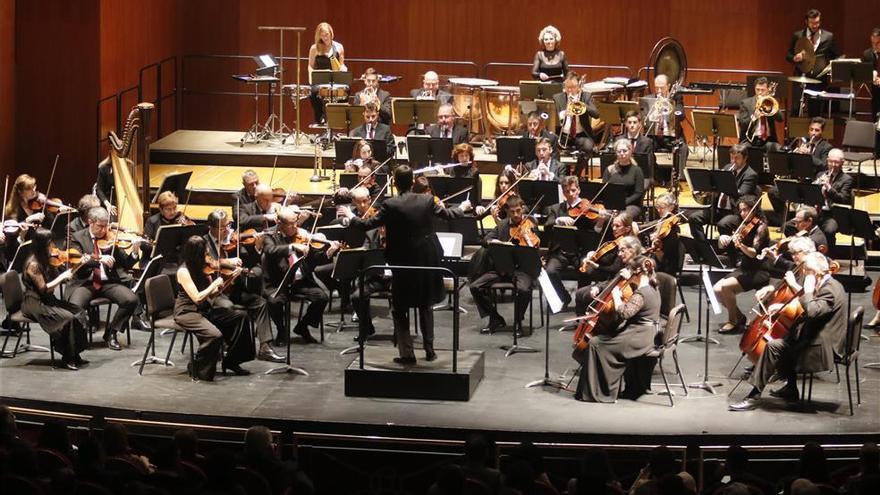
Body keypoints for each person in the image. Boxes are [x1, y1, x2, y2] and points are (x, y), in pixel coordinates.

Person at [339, 165, 471, 364]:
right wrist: (462, 207)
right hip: (426, 261)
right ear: (412, 182)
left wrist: (351, 217)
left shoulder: (390, 204)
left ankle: (407, 353)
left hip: (401, 262)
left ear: (394, 182)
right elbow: (448, 215)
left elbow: (367, 225)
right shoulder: (427, 200)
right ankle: (429, 350)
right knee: (425, 305)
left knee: (400, 308)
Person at [730, 252, 845, 410]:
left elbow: (812, 311)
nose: (804, 274)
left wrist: (809, 290)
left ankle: (754, 396)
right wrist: (783, 307)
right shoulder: (827, 284)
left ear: (818, 272)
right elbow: (814, 310)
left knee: (774, 347)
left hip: (822, 347)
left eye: (807, 271)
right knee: (783, 340)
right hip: (814, 335)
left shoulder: (830, 290)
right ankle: (790, 389)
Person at [574, 237, 661, 402]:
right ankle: (600, 388)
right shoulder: (652, 284)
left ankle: (601, 392)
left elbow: (623, 314)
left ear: (636, 273)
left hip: (639, 336)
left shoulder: (641, 292)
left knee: (596, 344)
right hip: (642, 332)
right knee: (599, 341)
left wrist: (616, 296)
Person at [203, 209, 284, 363]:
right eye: (223, 228)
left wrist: (257, 248)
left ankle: (265, 348)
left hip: (234, 289)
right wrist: (227, 262)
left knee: (260, 303)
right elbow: (207, 262)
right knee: (228, 307)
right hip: (215, 293)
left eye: (228, 226)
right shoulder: (203, 242)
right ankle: (229, 347)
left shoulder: (233, 241)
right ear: (211, 228)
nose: (227, 230)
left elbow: (250, 261)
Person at [174, 235, 252, 380]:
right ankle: (197, 367)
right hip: (187, 312)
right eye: (204, 252)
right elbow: (197, 298)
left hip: (204, 309)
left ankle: (232, 361)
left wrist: (229, 279)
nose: (207, 255)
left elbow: (213, 294)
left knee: (240, 316)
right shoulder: (183, 271)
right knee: (214, 335)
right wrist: (213, 285)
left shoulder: (203, 267)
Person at [263, 206, 339, 345]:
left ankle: (303, 326)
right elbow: (270, 250)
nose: (295, 226)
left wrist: (329, 252)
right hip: (279, 281)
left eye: (296, 222)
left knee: (321, 298)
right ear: (280, 223)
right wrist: (292, 247)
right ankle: (281, 330)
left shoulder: (303, 234)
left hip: (301, 282)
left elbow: (315, 258)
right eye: (290, 224)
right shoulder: (269, 235)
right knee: (274, 302)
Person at [67, 207, 139, 351]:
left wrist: (135, 252)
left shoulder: (110, 238)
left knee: (131, 300)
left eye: (106, 225)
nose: (104, 229)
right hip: (84, 283)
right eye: (100, 226)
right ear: (90, 222)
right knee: (75, 306)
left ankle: (111, 333)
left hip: (108, 283)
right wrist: (100, 258)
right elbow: (76, 260)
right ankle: (80, 340)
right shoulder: (77, 237)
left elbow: (126, 263)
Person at [469, 196, 539, 334]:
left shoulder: (530, 225)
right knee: (475, 287)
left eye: (518, 211)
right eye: (512, 212)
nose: (516, 215)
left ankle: (518, 321)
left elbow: (535, 248)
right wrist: (496, 243)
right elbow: (485, 240)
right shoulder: (502, 225)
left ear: (522, 209)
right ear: (507, 212)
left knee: (524, 290)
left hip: (522, 271)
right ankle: (495, 318)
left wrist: (527, 239)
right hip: (502, 269)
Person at [20, 228, 87, 370]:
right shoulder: (33, 264)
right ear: (41, 245)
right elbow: (43, 289)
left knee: (78, 312)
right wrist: (61, 277)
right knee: (68, 318)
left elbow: (61, 275)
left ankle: (75, 353)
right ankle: (67, 357)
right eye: (50, 243)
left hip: (47, 299)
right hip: (34, 301)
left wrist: (79, 263)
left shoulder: (47, 258)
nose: (53, 246)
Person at [713, 196, 770, 334]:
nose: (743, 213)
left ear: (754, 209)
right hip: (745, 267)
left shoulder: (761, 227)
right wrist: (723, 239)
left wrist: (741, 245)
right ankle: (740, 317)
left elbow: (753, 253)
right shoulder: (744, 225)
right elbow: (723, 247)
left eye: (746, 210)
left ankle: (732, 321)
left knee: (725, 287)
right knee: (716, 289)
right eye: (741, 211)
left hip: (758, 270)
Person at [544, 176, 600, 308]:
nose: (571, 194)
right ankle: (564, 297)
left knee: (585, 270)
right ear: (563, 193)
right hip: (561, 253)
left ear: (579, 190)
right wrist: (558, 220)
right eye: (567, 191)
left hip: (580, 252)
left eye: (573, 190)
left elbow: (597, 230)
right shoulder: (555, 209)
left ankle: (581, 301)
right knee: (550, 271)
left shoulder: (587, 209)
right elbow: (547, 226)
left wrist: (601, 220)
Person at [687, 143, 759, 244]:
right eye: (732, 158)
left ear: (745, 158)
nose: (733, 161)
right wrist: (711, 188)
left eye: (737, 158)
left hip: (735, 212)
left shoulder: (750, 175)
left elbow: (742, 195)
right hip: (718, 209)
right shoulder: (727, 168)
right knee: (693, 218)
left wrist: (722, 186)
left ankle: (726, 251)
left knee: (723, 224)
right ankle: (703, 247)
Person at [767, 117, 832, 224]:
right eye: (811, 129)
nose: (813, 133)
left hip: (812, 182)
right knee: (773, 192)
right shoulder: (804, 145)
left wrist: (809, 156)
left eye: (817, 130)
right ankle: (786, 219)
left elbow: (824, 165)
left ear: (822, 131)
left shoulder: (826, 147)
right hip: (798, 180)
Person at [785, 148, 853, 248]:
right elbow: (809, 194)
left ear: (842, 163)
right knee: (788, 226)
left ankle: (827, 255)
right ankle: (801, 248)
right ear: (827, 160)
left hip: (831, 215)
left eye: (836, 162)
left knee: (829, 230)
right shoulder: (820, 174)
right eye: (831, 161)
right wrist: (814, 188)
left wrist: (830, 189)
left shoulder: (847, 179)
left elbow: (843, 199)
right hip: (815, 212)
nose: (833, 165)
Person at [574, 212, 636, 314]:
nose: (614, 228)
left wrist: (596, 266)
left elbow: (615, 269)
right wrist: (593, 255)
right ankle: (580, 325)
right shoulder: (614, 241)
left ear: (627, 229)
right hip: (605, 278)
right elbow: (605, 257)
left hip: (614, 281)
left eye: (617, 226)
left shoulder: (626, 246)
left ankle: (591, 323)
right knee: (580, 290)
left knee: (584, 294)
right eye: (613, 225)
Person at [786, 9, 839, 117]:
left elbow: (835, 56)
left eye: (817, 22)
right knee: (796, 110)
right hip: (800, 77)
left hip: (818, 80)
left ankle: (813, 134)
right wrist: (795, 58)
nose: (815, 25)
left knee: (815, 113)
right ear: (806, 22)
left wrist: (831, 69)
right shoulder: (798, 35)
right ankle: (793, 135)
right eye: (812, 23)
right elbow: (788, 55)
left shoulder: (828, 37)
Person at [762, 207, 827, 276]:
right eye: (795, 222)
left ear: (809, 221)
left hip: (806, 274)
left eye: (798, 222)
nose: (795, 225)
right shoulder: (808, 232)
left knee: (766, 266)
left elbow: (800, 266)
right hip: (798, 267)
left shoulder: (814, 240)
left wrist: (777, 256)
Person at [308, 22, 346, 125]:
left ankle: (337, 119)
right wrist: (311, 79)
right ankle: (320, 118)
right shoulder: (314, 48)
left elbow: (341, 65)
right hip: (320, 79)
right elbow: (310, 66)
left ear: (331, 33)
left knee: (346, 90)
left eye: (326, 35)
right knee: (313, 92)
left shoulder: (338, 47)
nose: (325, 38)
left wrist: (343, 69)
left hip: (335, 79)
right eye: (322, 35)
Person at [554, 72, 600, 156]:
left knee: (588, 147)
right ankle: (563, 169)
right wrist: (564, 115)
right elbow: (553, 119)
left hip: (581, 135)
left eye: (573, 87)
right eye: (567, 87)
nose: (570, 90)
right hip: (563, 135)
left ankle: (577, 170)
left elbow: (596, 114)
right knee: (549, 145)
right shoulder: (557, 98)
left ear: (578, 87)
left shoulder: (586, 96)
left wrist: (582, 104)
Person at [603, 138, 646, 220]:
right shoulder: (609, 169)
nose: (622, 154)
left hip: (631, 205)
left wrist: (620, 205)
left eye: (625, 151)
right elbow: (605, 191)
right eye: (619, 151)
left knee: (621, 219)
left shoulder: (637, 170)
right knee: (602, 217)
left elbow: (638, 193)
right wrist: (613, 205)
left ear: (630, 151)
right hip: (613, 204)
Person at [737, 76, 783, 149]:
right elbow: (742, 124)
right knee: (743, 149)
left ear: (767, 90)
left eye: (763, 90)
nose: (760, 93)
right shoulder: (746, 103)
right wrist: (754, 116)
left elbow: (781, 119)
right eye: (757, 90)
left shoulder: (771, 102)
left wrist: (771, 105)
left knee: (778, 149)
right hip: (750, 140)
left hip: (768, 140)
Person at [644, 74, 685, 144]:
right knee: (645, 145)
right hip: (653, 136)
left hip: (672, 136)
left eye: (662, 88)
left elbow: (681, 116)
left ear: (668, 86)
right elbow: (643, 119)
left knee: (683, 149)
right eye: (656, 88)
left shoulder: (676, 98)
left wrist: (669, 105)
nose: (659, 91)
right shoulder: (648, 99)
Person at [863, 28, 880, 156]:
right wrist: (870, 75)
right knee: (876, 122)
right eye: (873, 43)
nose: (875, 46)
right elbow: (863, 72)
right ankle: (877, 153)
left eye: (878, 43)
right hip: (876, 94)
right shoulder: (867, 54)